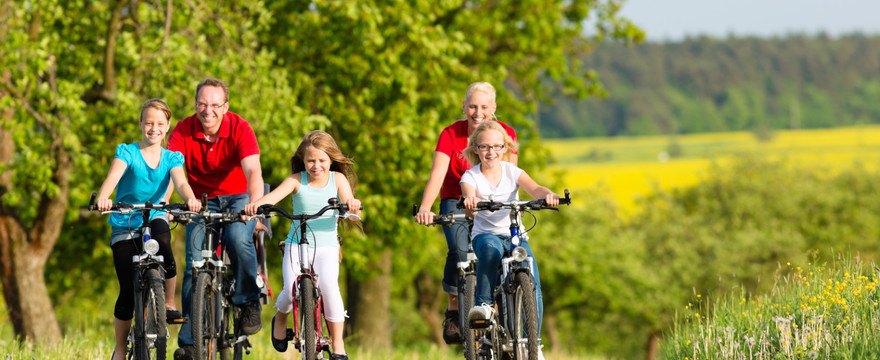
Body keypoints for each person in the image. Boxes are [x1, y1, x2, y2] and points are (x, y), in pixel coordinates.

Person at [96, 99, 202, 360]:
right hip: (126, 219)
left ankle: (167, 302)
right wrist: (104, 197)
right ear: (141, 124)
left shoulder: (172, 157)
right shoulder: (127, 152)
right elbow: (112, 178)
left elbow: (181, 181)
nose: (154, 128)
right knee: (126, 293)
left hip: (155, 214)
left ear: (167, 127)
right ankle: (120, 349)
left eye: (160, 123)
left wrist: (190, 198)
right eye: (148, 123)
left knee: (164, 244)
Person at [413, 82, 518, 343]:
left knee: (501, 252)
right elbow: (438, 173)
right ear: (464, 106)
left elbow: (511, 176)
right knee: (459, 251)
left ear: (493, 108)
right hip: (455, 199)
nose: (477, 112)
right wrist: (425, 208)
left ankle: (498, 308)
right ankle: (453, 307)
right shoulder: (451, 134)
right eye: (472, 106)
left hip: (493, 201)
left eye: (484, 106)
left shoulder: (505, 134)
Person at [169, 78, 266, 360]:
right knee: (194, 263)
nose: (207, 110)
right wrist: (180, 198)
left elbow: (253, 172)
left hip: (239, 197)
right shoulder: (184, 129)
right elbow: (174, 169)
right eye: (202, 103)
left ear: (225, 106)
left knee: (238, 239)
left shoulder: (240, 128)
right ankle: (189, 341)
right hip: (199, 200)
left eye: (214, 104)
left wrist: (256, 204)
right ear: (195, 104)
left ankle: (248, 302)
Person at [243, 130, 361, 360]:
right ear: (303, 160)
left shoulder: (337, 179)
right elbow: (272, 198)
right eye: (310, 160)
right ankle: (281, 319)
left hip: (327, 247)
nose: (316, 166)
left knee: (329, 287)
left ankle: (338, 343)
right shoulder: (296, 180)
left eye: (322, 160)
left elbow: (349, 200)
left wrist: (352, 205)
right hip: (297, 245)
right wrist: (254, 207)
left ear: (331, 160)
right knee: (289, 290)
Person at [460, 121, 558, 360]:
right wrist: (470, 203)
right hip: (486, 236)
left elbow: (534, 188)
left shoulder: (513, 172)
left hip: (515, 235)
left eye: (496, 146)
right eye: (484, 147)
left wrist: (548, 195)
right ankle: (483, 306)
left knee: (532, 280)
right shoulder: (470, 176)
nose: (491, 152)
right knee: (491, 250)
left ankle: (532, 343)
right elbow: (468, 195)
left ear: (505, 147)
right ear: (475, 149)